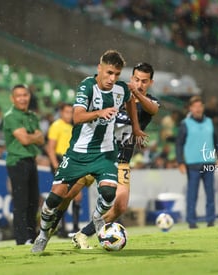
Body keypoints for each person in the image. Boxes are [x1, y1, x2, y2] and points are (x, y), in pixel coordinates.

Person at [31, 49, 145, 253]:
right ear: (99, 68)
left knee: (109, 194)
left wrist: (136, 127)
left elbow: (130, 101)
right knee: (54, 199)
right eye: (109, 73)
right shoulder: (87, 86)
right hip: (78, 154)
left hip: (106, 152)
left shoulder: (120, 89)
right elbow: (77, 117)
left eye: (117, 75)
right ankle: (43, 234)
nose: (112, 78)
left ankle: (97, 217)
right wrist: (100, 112)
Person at [72, 62, 160, 248]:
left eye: (144, 81)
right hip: (98, 155)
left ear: (150, 83)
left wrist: (135, 93)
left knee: (120, 206)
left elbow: (153, 109)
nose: (139, 84)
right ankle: (45, 229)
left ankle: (81, 234)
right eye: (136, 79)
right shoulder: (115, 96)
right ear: (130, 78)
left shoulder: (148, 103)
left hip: (121, 161)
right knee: (68, 193)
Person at [3, 84, 45, 245]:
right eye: (18, 95)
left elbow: (41, 139)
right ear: (12, 99)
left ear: (29, 97)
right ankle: (21, 239)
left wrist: (32, 136)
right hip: (17, 162)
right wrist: (33, 136)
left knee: (33, 201)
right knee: (21, 202)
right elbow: (25, 139)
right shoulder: (10, 116)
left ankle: (31, 236)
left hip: (31, 160)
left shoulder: (32, 116)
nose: (22, 98)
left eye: (25, 95)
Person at [175, 95, 218, 228]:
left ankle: (211, 220)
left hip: (209, 162)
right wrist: (180, 162)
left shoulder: (209, 122)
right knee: (192, 193)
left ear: (203, 108)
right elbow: (179, 144)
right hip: (193, 164)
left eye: (200, 106)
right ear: (190, 108)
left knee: (210, 192)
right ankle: (191, 221)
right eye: (195, 107)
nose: (197, 109)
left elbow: (216, 141)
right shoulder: (185, 124)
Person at [45, 103, 83, 237]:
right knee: (62, 195)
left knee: (76, 195)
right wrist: (55, 164)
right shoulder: (56, 125)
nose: (69, 115)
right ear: (61, 112)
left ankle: (74, 227)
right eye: (66, 112)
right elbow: (50, 147)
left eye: (70, 112)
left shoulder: (72, 126)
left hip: (72, 161)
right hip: (60, 160)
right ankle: (61, 227)